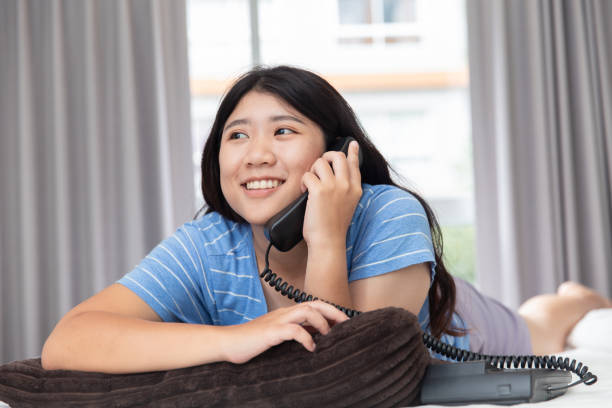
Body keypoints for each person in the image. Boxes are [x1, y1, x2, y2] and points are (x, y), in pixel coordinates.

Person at [41, 65, 612, 374]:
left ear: (338, 154)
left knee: (542, 322)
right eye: (236, 135)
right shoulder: (207, 243)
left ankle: (574, 298)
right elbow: (68, 342)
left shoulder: (388, 211)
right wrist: (233, 339)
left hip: (465, 324)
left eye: (283, 131)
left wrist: (327, 236)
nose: (256, 154)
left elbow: (348, 370)